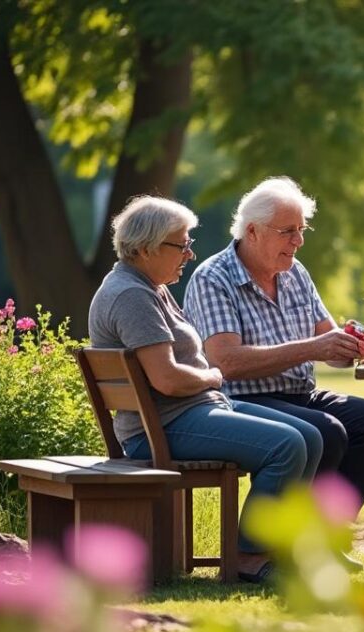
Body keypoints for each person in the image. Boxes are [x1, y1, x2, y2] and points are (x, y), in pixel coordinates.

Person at [88, 196, 323, 584]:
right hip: (165, 425)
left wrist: (210, 383)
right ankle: (247, 555)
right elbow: (168, 379)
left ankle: (281, 549)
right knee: (287, 446)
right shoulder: (131, 296)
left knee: (311, 437)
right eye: (180, 245)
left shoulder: (148, 286)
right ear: (146, 248)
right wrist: (214, 375)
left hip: (189, 411)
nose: (189, 253)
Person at [184, 177, 364, 568]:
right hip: (244, 400)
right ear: (252, 231)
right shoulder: (212, 277)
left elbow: (327, 345)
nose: (298, 241)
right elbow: (225, 361)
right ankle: (279, 548)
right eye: (288, 231)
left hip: (299, 393)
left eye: (302, 230)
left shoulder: (295, 271)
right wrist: (315, 348)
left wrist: (355, 344)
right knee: (327, 430)